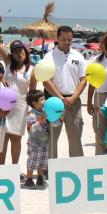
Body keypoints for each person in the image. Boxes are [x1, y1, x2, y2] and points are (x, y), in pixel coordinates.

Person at [0, 16, 37, 168]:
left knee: (16, 139)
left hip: (21, 106)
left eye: (22, 51)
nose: (19, 54)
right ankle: (1, 168)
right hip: (4, 105)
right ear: (12, 54)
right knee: (3, 138)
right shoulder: (8, 63)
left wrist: (32, 112)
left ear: (26, 52)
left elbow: (32, 92)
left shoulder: (31, 70)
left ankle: (13, 167)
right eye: (16, 51)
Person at [42, 26, 88, 159]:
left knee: (75, 137)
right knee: (52, 137)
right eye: (63, 39)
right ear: (57, 38)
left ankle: (76, 167)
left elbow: (84, 80)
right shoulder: (49, 56)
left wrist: (73, 97)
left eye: (69, 39)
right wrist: (61, 98)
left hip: (74, 101)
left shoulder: (78, 56)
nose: (67, 42)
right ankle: (50, 168)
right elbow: (46, 81)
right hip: (54, 101)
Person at [24, 90, 48, 189]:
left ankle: (40, 178)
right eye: (42, 99)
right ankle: (29, 179)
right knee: (33, 161)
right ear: (34, 103)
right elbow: (30, 129)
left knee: (42, 161)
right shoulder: (31, 114)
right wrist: (41, 120)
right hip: (34, 143)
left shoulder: (45, 112)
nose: (45, 101)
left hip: (44, 142)